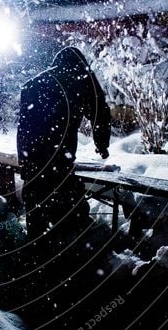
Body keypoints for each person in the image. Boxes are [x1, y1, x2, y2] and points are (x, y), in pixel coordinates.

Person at [17, 46, 111, 242]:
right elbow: (99, 111)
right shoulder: (82, 79)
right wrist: (101, 144)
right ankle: (65, 244)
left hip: (32, 153)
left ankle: (36, 247)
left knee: (36, 198)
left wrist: (24, 161)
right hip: (60, 152)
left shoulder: (33, 84)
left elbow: (23, 129)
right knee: (63, 195)